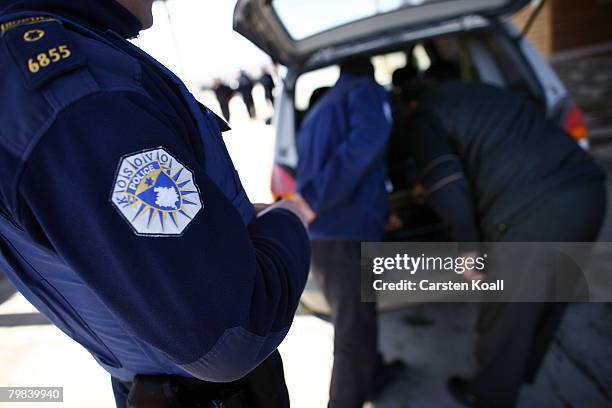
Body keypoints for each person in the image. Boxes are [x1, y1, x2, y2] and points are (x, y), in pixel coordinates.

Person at [0, 1, 313, 407]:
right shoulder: (79, 93)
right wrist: (290, 219)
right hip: (209, 395)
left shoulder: (51, 72)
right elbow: (227, 337)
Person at [392, 79, 606, 407]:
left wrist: (469, 249)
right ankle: (516, 371)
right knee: (549, 297)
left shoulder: (422, 118)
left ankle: (487, 395)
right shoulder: (486, 93)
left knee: (505, 313)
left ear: (409, 104)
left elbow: (448, 185)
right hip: (587, 192)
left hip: (534, 212)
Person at [295, 56, 402, 408]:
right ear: (369, 70)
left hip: (329, 235)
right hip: (345, 230)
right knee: (352, 333)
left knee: (359, 319)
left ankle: (373, 378)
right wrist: (314, 199)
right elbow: (364, 147)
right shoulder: (366, 92)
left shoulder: (320, 108)